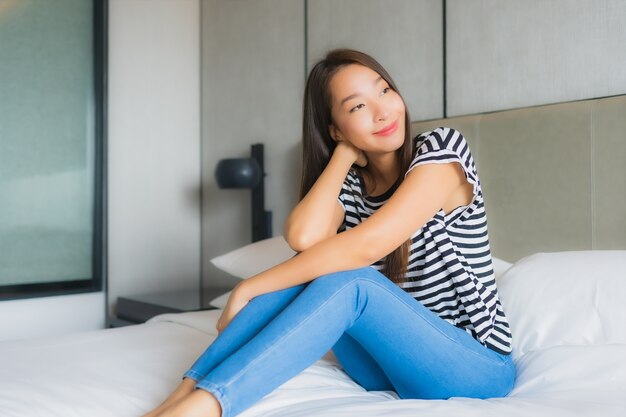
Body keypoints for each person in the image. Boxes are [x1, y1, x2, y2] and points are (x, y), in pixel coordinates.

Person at [143, 49, 515, 417]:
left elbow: (369, 246)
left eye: (384, 90)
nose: (383, 111)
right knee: (310, 269)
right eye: (357, 107)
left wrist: (249, 286)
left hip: (473, 368)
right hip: (386, 370)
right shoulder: (353, 187)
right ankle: (179, 399)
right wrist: (342, 157)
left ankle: (205, 408)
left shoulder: (442, 150)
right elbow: (303, 238)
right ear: (335, 130)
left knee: (352, 281)